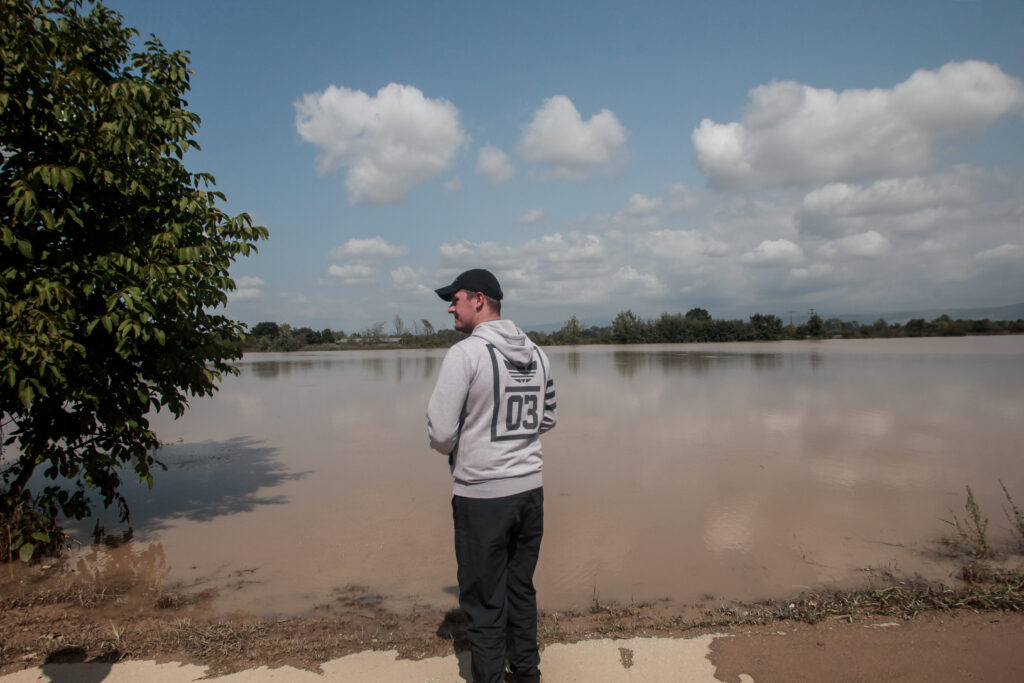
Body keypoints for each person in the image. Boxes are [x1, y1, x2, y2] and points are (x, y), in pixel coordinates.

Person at [427, 268, 556, 683]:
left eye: (456, 298)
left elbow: (441, 434)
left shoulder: (464, 354)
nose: (450, 306)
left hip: (482, 497)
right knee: (520, 592)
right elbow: (547, 418)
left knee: (484, 606)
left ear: (478, 300)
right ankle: (527, 675)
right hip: (529, 492)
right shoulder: (538, 354)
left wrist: (475, 443)